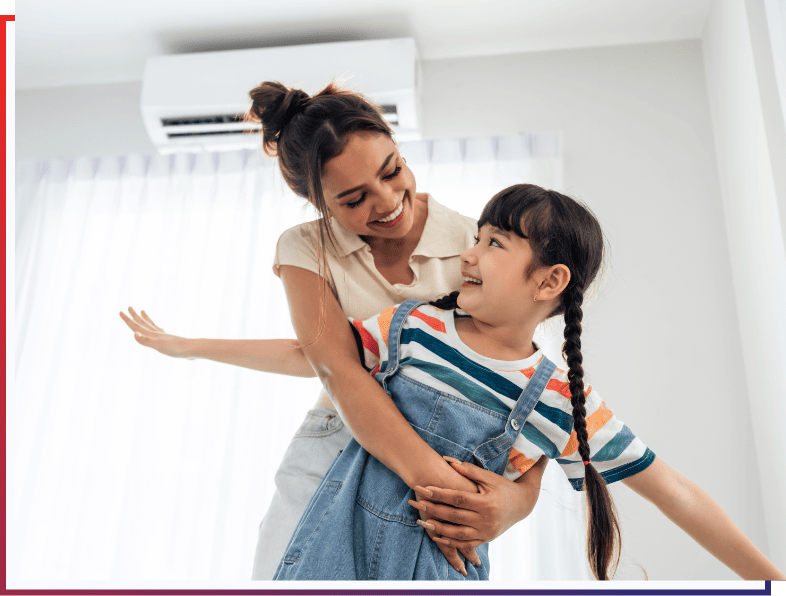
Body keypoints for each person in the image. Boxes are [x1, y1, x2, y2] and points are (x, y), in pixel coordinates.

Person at [119, 81, 547, 579]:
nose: (388, 201)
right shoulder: (307, 248)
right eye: (353, 199)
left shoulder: (476, 241)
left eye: (393, 171)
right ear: (319, 203)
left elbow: (527, 376)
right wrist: (444, 489)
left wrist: (517, 501)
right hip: (343, 444)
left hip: (450, 457)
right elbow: (335, 366)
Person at [267, 184, 785, 581]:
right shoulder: (413, 326)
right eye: (476, 239)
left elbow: (673, 491)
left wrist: (772, 582)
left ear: (549, 280)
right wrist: (189, 348)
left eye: (494, 243)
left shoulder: (559, 398)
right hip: (333, 557)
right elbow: (317, 355)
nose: (468, 254)